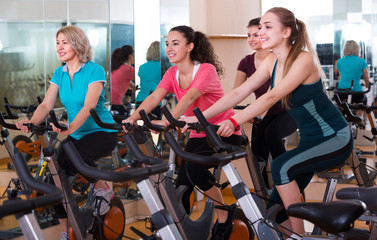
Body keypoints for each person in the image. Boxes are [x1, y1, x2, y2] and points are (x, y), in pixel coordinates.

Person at [182, 7, 353, 237]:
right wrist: (198, 119)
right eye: (260, 26)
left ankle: (297, 237)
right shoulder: (272, 60)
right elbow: (239, 92)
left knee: (280, 166)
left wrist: (233, 121)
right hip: (309, 143)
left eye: (267, 27)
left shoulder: (303, 59)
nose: (261, 32)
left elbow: (271, 97)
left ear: (286, 32)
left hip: (334, 138)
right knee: (275, 209)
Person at [123, 25, 242, 239]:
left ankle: (224, 214)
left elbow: (189, 98)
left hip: (222, 131)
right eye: (167, 44)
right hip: (198, 133)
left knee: (194, 171)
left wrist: (169, 122)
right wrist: (134, 117)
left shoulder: (205, 69)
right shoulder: (171, 72)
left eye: (175, 43)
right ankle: (178, 230)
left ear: (190, 47)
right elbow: (153, 98)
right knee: (182, 182)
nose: (169, 48)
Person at [16, 25, 118, 239]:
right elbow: (46, 105)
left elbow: (89, 106)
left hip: (102, 131)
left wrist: (70, 127)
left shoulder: (94, 70)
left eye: (65, 42)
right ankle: (68, 231)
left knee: (78, 155)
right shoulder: (59, 73)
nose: (59, 47)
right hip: (77, 134)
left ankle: (103, 187)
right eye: (57, 43)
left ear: (78, 44)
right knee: (54, 183)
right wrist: (32, 123)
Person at [234, 17, 297, 189]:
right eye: (249, 35)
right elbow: (237, 92)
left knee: (271, 134)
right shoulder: (246, 62)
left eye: (256, 34)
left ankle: (286, 177)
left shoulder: (278, 59)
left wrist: (256, 114)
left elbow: (272, 95)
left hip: (285, 111)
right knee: (257, 158)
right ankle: (266, 197)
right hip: (262, 114)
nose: (252, 39)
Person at [336, 40, 370, 105]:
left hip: (341, 92)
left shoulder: (340, 61)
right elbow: (366, 78)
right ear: (357, 49)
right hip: (356, 92)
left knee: (343, 106)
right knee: (363, 102)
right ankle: (359, 115)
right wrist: (367, 85)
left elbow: (340, 77)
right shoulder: (362, 61)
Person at [136, 41, 162, 119]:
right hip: (154, 102)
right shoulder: (162, 66)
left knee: (145, 127)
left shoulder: (142, 67)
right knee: (157, 127)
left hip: (140, 100)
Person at [110, 45, 135, 115]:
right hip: (117, 103)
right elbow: (140, 78)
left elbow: (130, 84)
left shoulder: (116, 67)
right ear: (130, 56)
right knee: (128, 121)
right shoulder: (127, 69)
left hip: (110, 103)